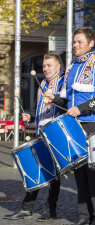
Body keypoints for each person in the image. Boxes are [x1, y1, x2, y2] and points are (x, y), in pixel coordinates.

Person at [45, 27, 95, 225]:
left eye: (79, 42)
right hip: (73, 124)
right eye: (74, 42)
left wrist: (81, 109)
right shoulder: (72, 66)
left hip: (94, 124)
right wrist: (55, 98)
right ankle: (84, 216)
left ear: (91, 43)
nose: (75, 45)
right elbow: (68, 100)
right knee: (80, 174)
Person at [3, 53, 64, 222]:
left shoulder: (63, 82)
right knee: (35, 170)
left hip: (55, 134)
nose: (45, 68)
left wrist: (56, 99)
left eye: (49, 65)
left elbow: (67, 106)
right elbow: (39, 110)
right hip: (40, 132)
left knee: (54, 175)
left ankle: (50, 209)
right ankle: (26, 208)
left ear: (58, 67)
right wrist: (31, 117)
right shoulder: (42, 84)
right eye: (43, 66)